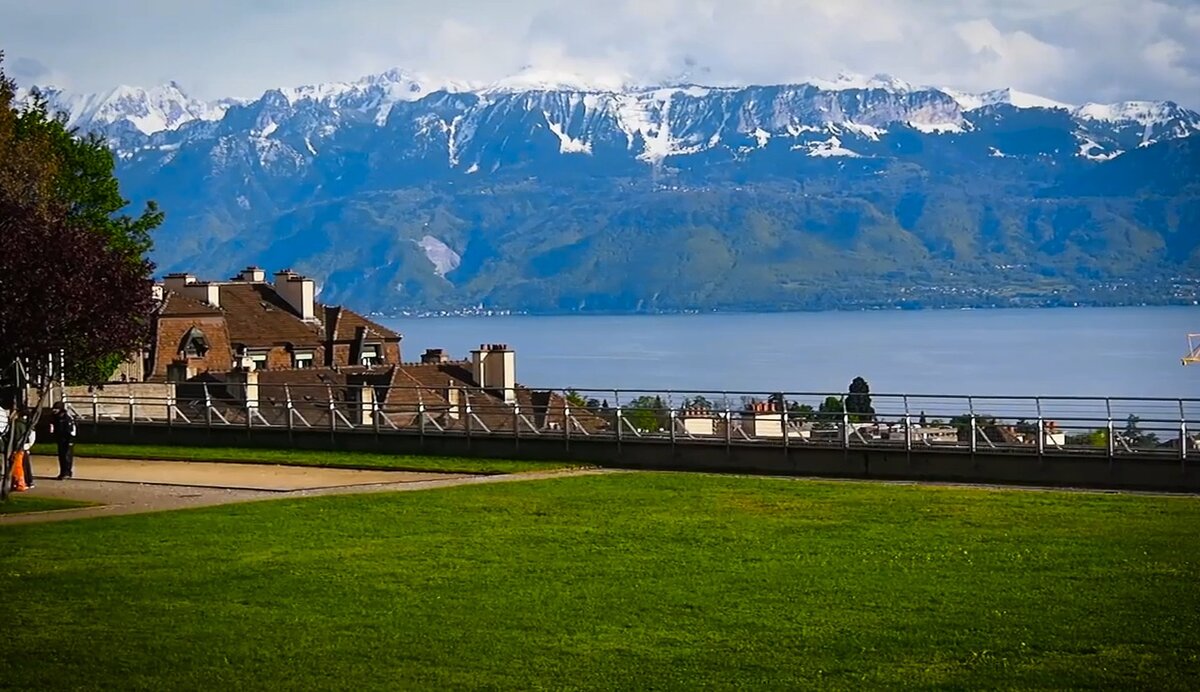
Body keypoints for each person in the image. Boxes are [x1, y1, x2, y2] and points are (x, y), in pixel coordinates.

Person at [49, 403, 76, 480]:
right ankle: (63, 472)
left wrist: (70, 440)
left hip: (67, 439)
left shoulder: (66, 418)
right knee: (61, 457)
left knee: (67, 456)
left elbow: (72, 430)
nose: (54, 410)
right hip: (60, 439)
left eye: (56, 409)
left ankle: (67, 473)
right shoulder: (56, 418)